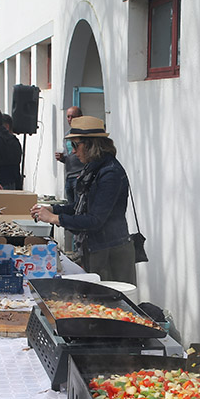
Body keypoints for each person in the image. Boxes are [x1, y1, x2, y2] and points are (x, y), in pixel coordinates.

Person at [30, 116, 137, 284]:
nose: (73, 151)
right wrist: (53, 210)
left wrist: (55, 219)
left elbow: (95, 220)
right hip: (95, 249)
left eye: (75, 145)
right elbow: (81, 208)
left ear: (91, 145)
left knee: (106, 306)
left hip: (110, 253)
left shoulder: (110, 173)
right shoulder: (94, 168)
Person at [55, 105, 85, 200]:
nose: (70, 119)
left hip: (80, 176)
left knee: (79, 207)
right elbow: (70, 155)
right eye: (68, 116)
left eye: (73, 117)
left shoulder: (85, 134)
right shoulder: (67, 135)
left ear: (80, 117)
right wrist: (62, 158)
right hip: (69, 176)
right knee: (70, 207)